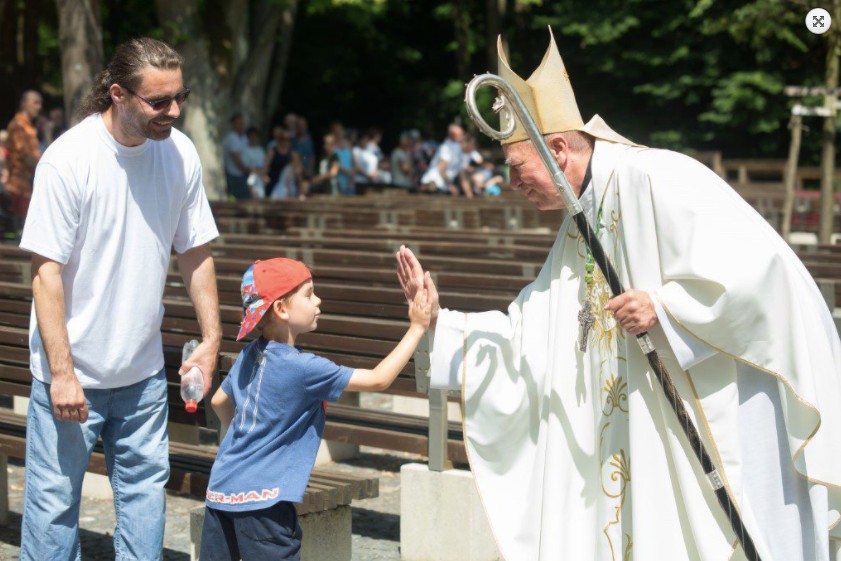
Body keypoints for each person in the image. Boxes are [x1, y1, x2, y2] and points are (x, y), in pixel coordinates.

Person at [397, 30, 841, 561]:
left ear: (558, 148)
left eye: (516, 168)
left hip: (716, 414)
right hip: (636, 432)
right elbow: (535, 328)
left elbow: (763, 269)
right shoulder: (577, 219)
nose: (512, 185)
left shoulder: (655, 175)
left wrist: (668, 307)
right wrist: (442, 325)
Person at [18, 37, 222, 560]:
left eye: (181, 97)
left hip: (143, 372)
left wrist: (212, 337)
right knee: (53, 508)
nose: (173, 111)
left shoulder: (179, 153)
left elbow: (195, 251)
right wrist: (62, 372)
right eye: (159, 102)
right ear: (117, 94)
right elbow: (46, 276)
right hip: (72, 374)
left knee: (144, 501)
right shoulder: (70, 159)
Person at [200, 257, 431, 560]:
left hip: (220, 491)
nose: (318, 300)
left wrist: (246, 443)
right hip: (265, 504)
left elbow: (219, 401)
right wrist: (417, 327)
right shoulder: (303, 367)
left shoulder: (249, 353)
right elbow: (378, 380)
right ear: (282, 309)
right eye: (308, 294)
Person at [4, 90, 42, 229]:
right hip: (20, 185)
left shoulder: (28, 126)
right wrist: (44, 169)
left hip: (28, 182)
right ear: (24, 104)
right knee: (23, 229)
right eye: (35, 103)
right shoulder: (18, 126)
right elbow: (25, 156)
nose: (39, 107)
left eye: (40, 103)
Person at [420, 123, 464, 194]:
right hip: (435, 183)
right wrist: (451, 186)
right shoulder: (446, 147)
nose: (462, 136)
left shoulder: (456, 146)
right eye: (460, 134)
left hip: (444, 184)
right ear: (452, 134)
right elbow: (442, 169)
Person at [223, 113, 250, 200]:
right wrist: (247, 170)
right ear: (233, 124)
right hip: (234, 175)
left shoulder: (244, 138)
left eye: (243, 123)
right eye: (239, 123)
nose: (242, 125)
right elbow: (236, 158)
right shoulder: (231, 138)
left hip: (243, 175)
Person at [241, 127, 266, 198]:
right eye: (251, 136)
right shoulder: (245, 151)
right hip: (251, 177)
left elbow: (264, 164)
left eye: (255, 136)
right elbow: (245, 167)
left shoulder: (260, 150)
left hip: (261, 178)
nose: (253, 138)